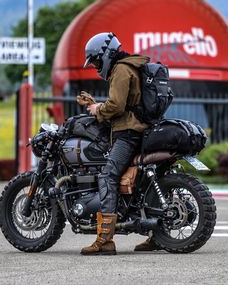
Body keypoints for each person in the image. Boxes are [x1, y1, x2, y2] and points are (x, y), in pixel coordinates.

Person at [77, 32, 160, 255]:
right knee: (141, 183)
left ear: (106, 54)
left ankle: (105, 240)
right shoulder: (130, 66)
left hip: (128, 133)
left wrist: (98, 110)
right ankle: (158, 236)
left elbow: (117, 106)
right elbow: (126, 102)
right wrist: (99, 105)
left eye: (95, 61)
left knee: (108, 176)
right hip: (137, 129)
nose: (95, 67)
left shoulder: (121, 69)